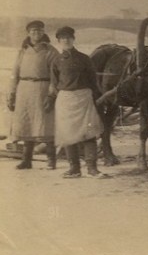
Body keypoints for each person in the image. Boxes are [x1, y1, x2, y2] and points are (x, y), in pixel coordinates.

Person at [49, 26, 107, 178]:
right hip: (65, 100)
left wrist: (96, 97)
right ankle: (74, 169)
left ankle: (92, 168)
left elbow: (93, 81)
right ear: (59, 41)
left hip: (83, 98)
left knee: (88, 134)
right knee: (68, 135)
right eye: (62, 39)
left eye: (68, 37)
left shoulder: (84, 58)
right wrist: (53, 98)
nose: (66, 40)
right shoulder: (56, 61)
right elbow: (54, 83)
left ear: (73, 39)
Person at [7, 20, 59, 170]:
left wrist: (51, 95)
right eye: (34, 31)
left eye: (40, 31)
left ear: (43, 32)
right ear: (28, 33)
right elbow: (14, 73)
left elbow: (55, 76)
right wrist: (12, 93)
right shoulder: (22, 51)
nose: (37, 33)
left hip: (42, 89)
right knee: (26, 124)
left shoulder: (50, 51)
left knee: (46, 125)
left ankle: (51, 160)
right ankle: (27, 160)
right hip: (24, 90)